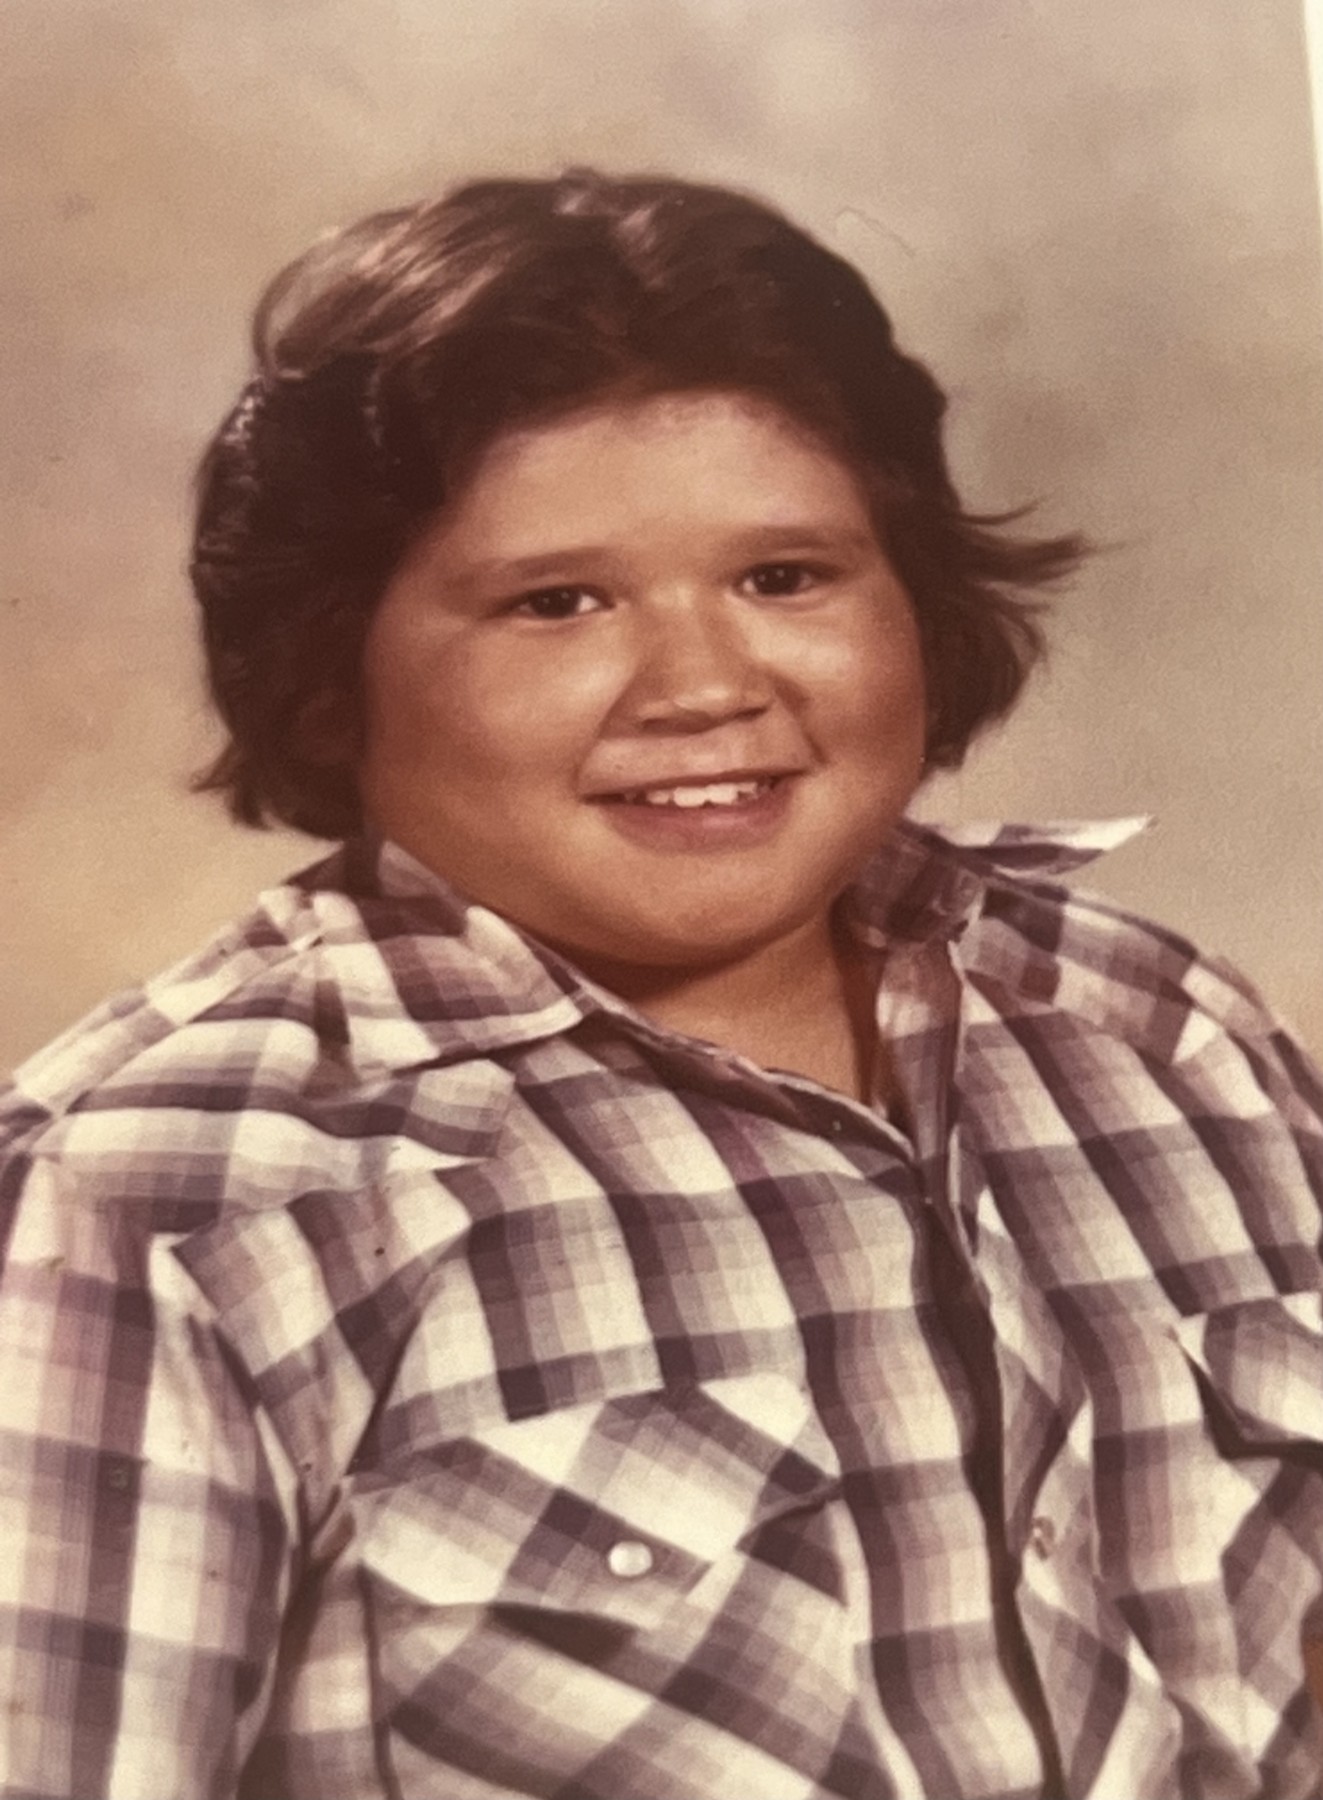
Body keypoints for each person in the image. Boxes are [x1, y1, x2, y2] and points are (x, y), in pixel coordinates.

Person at [0, 169, 1319, 1800]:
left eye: (786, 577)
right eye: (557, 603)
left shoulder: (1166, 1037)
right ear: (331, 671)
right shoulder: (151, 1204)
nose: (703, 686)